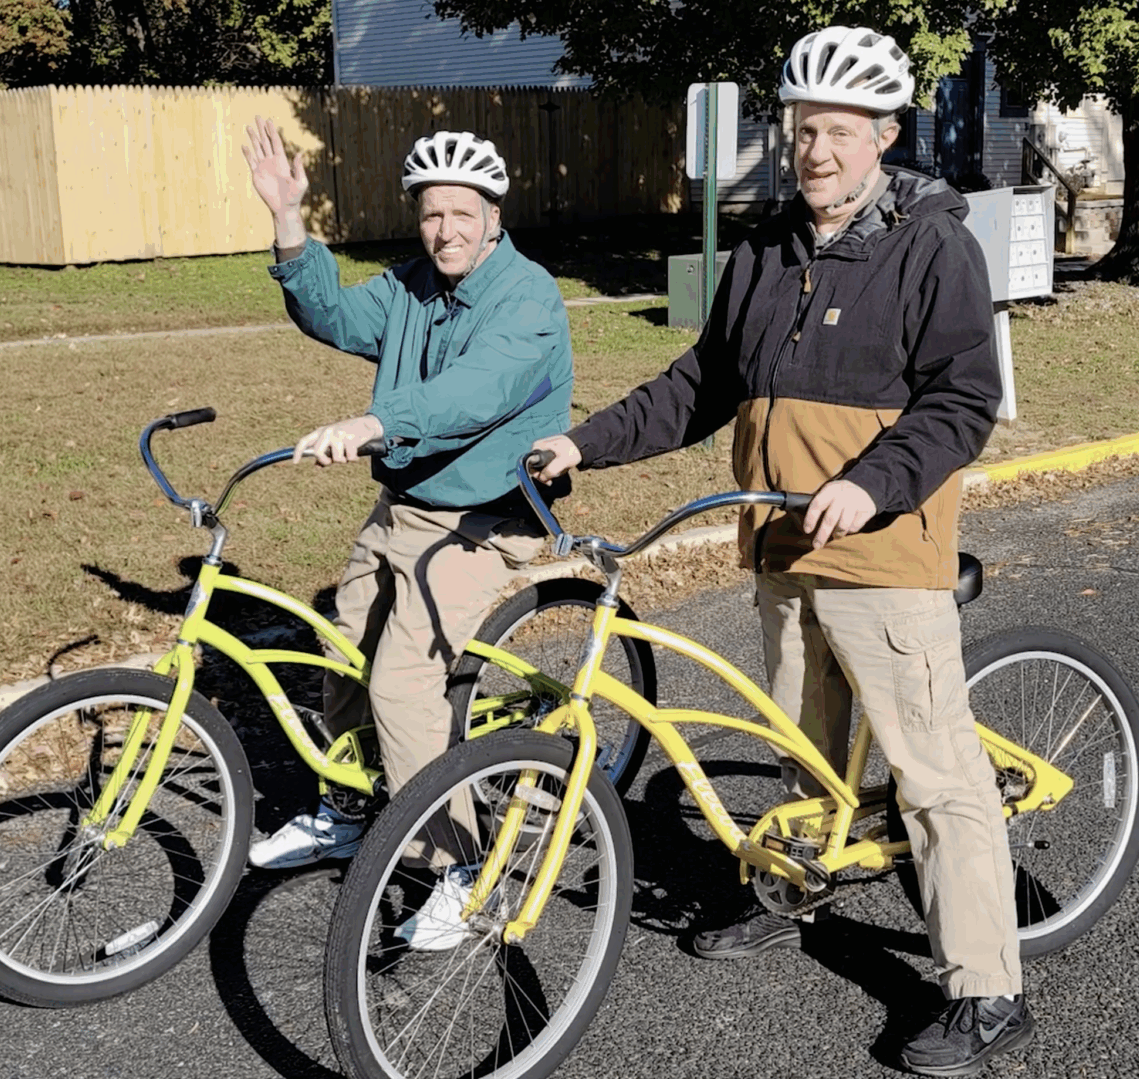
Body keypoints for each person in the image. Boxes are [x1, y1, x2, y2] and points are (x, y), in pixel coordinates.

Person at [529, 26, 1031, 1076]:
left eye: (841, 134)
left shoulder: (931, 243)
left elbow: (963, 400)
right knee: (810, 746)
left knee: (934, 773)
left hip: (883, 552)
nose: (817, 151)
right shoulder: (765, 248)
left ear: (884, 136)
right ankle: (795, 892)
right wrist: (585, 442)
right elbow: (698, 384)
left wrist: (872, 482)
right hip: (780, 547)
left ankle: (988, 988)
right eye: (806, 130)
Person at [240, 119, 573, 949]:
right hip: (403, 509)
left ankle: (460, 865)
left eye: (463, 213)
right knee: (341, 647)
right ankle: (350, 806)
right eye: (431, 213)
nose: (446, 230)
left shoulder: (528, 298)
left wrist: (377, 420)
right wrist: (288, 219)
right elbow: (334, 316)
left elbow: (471, 392)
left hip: (485, 521)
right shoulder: (413, 284)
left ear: (495, 214)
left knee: (401, 684)